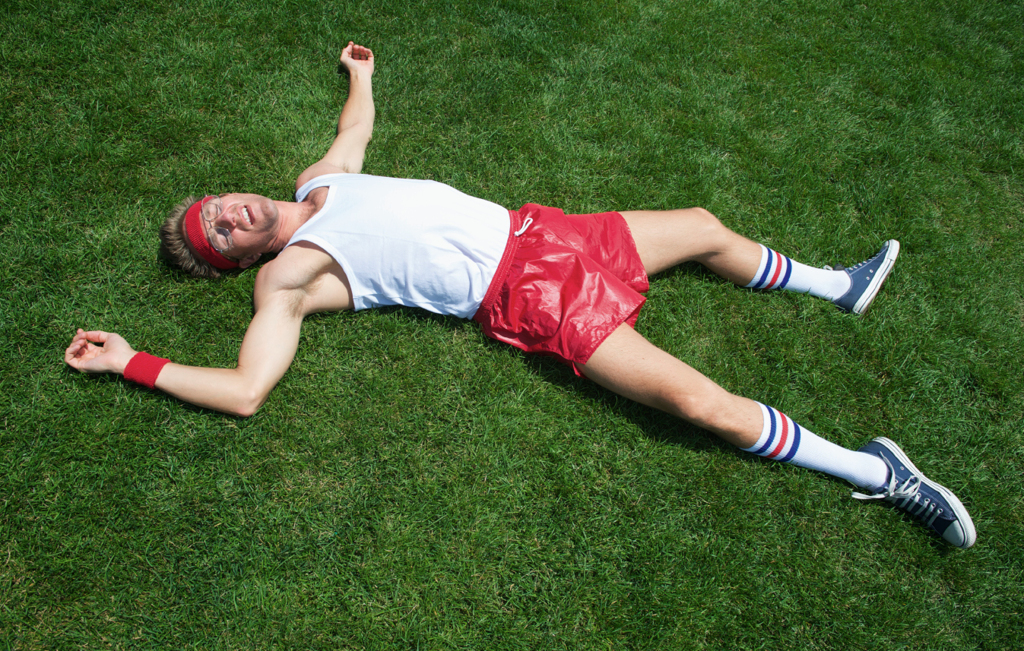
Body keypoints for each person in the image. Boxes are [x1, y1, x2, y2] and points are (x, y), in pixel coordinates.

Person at [65, 42, 976, 548]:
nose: (227, 215)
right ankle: (879, 471)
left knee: (702, 225)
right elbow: (245, 390)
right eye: (217, 235)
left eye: (215, 207)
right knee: (705, 404)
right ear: (235, 262)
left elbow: (356, 133)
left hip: (545, 232)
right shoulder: (287, 278)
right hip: (531, 296)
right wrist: (131, 361)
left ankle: (838, 286)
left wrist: (362, 77)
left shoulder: (316, 183)